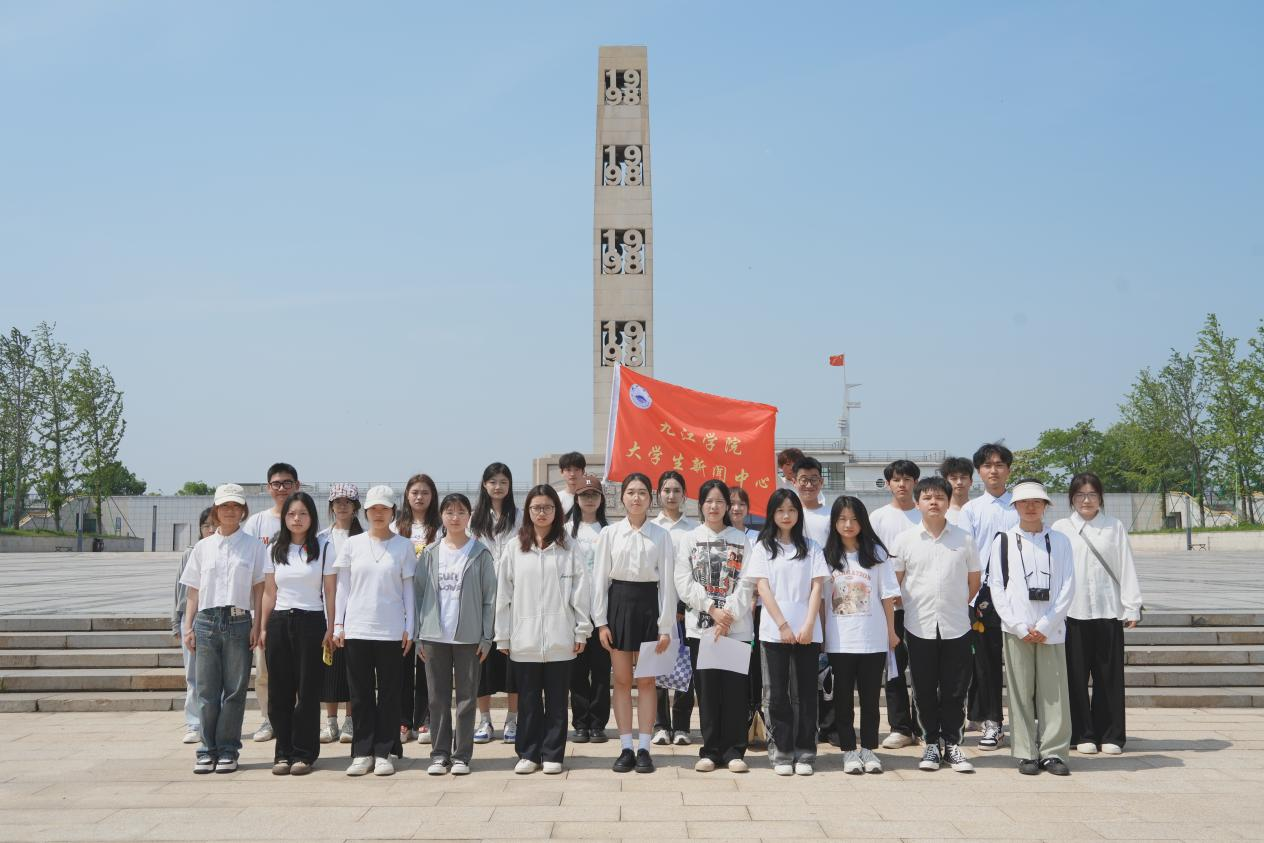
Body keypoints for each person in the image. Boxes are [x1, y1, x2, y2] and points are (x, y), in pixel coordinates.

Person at [495, 485, 592, 775]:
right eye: (536, 507)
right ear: (528, 511)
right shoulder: (514, 547)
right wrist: (503, 634)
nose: (542, 513)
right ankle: (528, 753)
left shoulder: (569, 547)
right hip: (524, 639)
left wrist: (581, 630)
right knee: (528, 701)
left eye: (548, 507)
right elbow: (503, 595)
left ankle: (552, 753)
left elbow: (581, 591)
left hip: (560, 637)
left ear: (556, 511)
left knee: (557, 701)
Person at [890, 477, 981, 774]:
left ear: (948, 502)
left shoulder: (964, 539)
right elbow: (895, 583)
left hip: (957, 625)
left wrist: (955, 604)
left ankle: (952, 743)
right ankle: (930, 742)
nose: (934, 502)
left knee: (955, 688)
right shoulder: (905, 540)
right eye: (927, 498)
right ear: (917, 503)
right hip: (919, 625)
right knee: (924, 687)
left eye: (940, 497)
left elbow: (974, 581)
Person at [988, 479, 1075, 776]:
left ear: (1045, 506)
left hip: (1053, 629)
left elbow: (1068, 585)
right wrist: (1017, 625)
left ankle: (1053, 752)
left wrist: (1047, 624)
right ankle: (1026, 751)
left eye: (1037, 502)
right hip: (1017, 629)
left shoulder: (1060, 541)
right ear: (1015, 506)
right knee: (1020, 691)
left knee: (1054, 693)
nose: (1030, 507)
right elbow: (997, 586)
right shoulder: (1003, 541)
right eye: (1024, 502)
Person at [1052, 473, 1143, 756]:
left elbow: (1126, 565)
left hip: (1108, 611)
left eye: (1092, 494)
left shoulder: (1114, 526)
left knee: (1109, 676)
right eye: (1080, 495)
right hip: (1072, 613)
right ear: (1071, 499)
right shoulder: (1061, 528)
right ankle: (1082, 733)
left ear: (1101, 498)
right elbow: (1054, 571)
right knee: (1075, 678)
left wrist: (1132, 605)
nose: (1086, 500)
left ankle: (1111, 734)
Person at [180, 484, 268, 774]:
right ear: (216, 511)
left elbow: (260, 588)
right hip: (206, 621)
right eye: (225, 506)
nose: (230, 511)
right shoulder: (203, 548)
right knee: (206, 690)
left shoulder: (254, 546)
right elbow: (193, 590)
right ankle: (207, 750)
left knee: (234, 690)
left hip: (239, 620)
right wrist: (188, 626)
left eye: (236, 506)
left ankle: (228, 749)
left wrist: (257, 623)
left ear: (243, 510)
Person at [592, 472, 676, 773]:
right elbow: (599, 580)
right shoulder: (609, 534)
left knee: (647, 681)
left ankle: (645, 748)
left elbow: (667, 584)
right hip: (619, 606)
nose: (636, 497)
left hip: (649, 607)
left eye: (642, 492)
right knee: (622, 680)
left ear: (650, 498)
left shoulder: (661, 535)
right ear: (622, 497)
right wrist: (601, 622)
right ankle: (626, 746)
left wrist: (665, 626)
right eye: (630, 492)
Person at [333, 485, 416, 777]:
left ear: (393, 512)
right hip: (357, 628)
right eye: (373, 509)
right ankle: (362, 751)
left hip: (391, 630)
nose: (378, 514)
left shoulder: (404, 546)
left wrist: (410, 627)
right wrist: (339, 624)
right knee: (360, 694)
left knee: (391, 693)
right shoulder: (352, 544)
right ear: (365, 512)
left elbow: (408, 589)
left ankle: (385, 751)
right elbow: (343, 587)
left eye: (384, 509)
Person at [674, 479, 755, 773]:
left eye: (720, 501)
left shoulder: (741, 539)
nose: (714, 506)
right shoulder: (690, 538)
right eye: (709, 501)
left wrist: (728, 615)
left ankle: (734, 751)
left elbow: (748, 581)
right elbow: (683, 581)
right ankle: (710, 750)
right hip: (701, 628)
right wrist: (711, 609)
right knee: (707, 691)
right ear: (700, 505)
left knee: (734, 691)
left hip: (736, 628)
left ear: (728, 506)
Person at [745, 488, 827, 776]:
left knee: (805, 693)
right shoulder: (763, 548)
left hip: (807, 632)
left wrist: (808, 625)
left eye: (791, 510)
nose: (786, 515)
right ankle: (781, 751)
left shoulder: (812, 547)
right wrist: (782, 625)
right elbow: (762, 588)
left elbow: (817, 587)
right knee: (776, 693)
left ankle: (805, 751)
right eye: (780, 510)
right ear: (772, 514)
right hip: (773, 631)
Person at [414, 493, 497, 776]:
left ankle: (461, 755)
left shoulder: (480, 553)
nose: (455, 517)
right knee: (436, 698)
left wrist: (487, 637)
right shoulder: (430, 553)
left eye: (461, 512)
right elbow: (418, 595)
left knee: (466, 699)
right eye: (449, 512)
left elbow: (489, 599)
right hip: (433, 637)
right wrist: (418, 635)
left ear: (469, 516)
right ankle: (439, 754)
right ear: (441, 516)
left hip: (469, 638)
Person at [819, 496, 899, 775]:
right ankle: (849, 750)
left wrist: (891, 632)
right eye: (842, 519)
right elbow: (821, 600)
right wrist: (821, 636)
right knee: (842, 700)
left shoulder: (876, 553)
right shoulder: (826, 556)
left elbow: (888, 596)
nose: (848, 524)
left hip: (872, 639)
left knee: (870, 699)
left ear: (863, 521)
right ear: (834, 523)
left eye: (854, 519)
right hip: (840, 640)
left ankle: (868, 749)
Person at [260, 491, 336, 775]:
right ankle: (283, 752)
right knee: (279, 691)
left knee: (307, 691)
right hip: (280, 621)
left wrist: (331, 626)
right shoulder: (274, 549)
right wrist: (263, 627)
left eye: (303, 513)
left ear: (312, 517)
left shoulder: (324, 547)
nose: (297, 519)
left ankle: (304, 754)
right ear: (284, 517)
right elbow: (269, 592)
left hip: (311, 622)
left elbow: (330, 591)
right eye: (291, 514)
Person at [960, 443, 1019, 750]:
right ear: (979, 472)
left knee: (1022, 663)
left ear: (1008, 469)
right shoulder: (971, 510)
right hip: (983, 598)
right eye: (987, 465)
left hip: (1020, 595)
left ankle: (1026, 723)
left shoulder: (1020, 505)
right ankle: (992, 722)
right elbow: (965, 555)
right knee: (986, 664)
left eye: (999, 465)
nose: (993, 470)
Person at [242, 461, 300, 742]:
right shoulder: (257, 523)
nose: (282, 488)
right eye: (276, 484)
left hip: (297, 607)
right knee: (264, 670)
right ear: (268, 488)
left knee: (296, 671)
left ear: (297, 486)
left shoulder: (302, 517)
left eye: (287, 483)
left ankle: (296, 720)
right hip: (265, 608)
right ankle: (268, 719)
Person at [869, 459, 922, 751]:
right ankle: (900, 727)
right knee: (894, 668)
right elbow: (872, 559)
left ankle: (924, 725)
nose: (902, 484)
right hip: (889, 607)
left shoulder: (924, 514)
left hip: (922, 605)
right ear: (888, 484)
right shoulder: (878, 518)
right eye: (897, 479)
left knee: (924, 669)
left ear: (916, 482)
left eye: (907, 479)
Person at [469, 463, 522, 745]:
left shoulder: (520, 517)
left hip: (515, 598)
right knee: (482, 662)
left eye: (503, 481)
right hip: (482, 598)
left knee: (514, 661)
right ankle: (485, 720)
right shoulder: (474, 519)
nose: (498, 487)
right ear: (484, 485)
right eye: (493, 481)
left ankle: (513, 719)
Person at [650, 470, 697, 746]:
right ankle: (660, 725)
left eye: (676, 490)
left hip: (686, 609)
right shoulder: (652, 528)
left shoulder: (693, 530)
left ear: (684, 495)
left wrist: (682, 604)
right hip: (657, 607)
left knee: (685, 668)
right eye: (666, 490)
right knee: (657, 665)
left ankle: (681, 727)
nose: (671, 495)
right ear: (658, 494)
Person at [394, 474, 439, 745]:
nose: (419, 497)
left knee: (426, 662)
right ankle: (402, 720)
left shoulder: (440, 527)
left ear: (432, 496)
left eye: (425, 492)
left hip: (431, 603)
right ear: (407, 496)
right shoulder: (396, 526)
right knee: (401, 662)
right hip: (400, 604)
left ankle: (425, 718)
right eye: (415, 492)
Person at [316, 484, 361, 745]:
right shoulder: (321, 538)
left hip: (356, 612)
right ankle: (330, 721)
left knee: (353, 669)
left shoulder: (363, 537)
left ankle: (350, 720)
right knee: (329, 668)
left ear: (355, 507)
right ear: (331, 506)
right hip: (325, 611)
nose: (342, 506)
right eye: (337, 502)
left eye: (347, 502)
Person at [568, 475, 611, 743]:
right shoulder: (566, 530)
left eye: (593, 494)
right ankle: (580, 723)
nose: (589, 499)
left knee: (601, 671)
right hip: (574, 612)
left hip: (603, 612)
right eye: (584, 495)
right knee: (577, 672)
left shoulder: (609, 530)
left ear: (601, 499)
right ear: (576, 499)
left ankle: (598, 724)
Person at [174, 507, 215, 745]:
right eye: (206, 525)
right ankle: (193, 723)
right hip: (191, 619)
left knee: (215, 676)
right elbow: (180, 591)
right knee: (193, 675)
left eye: (214, 525)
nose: (210, 529)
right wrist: (178, 622)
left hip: (216, 619)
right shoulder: (191, 552)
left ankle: (215, 722)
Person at [730, 487, 766, 742]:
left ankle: (755, 716)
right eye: (732, 503)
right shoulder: (720, 535)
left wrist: (752, 598)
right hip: (728, 613)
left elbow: (759, 572)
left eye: (741, 504)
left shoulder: (757, 538)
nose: (736, 508)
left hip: (756, 611)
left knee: (755, 666)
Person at [938, 456, 974, 526]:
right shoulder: (939, 511)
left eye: (963, 478)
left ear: (971, 481)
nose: (959, 482)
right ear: (945, 482)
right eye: (954, 478)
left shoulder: (979, 509)